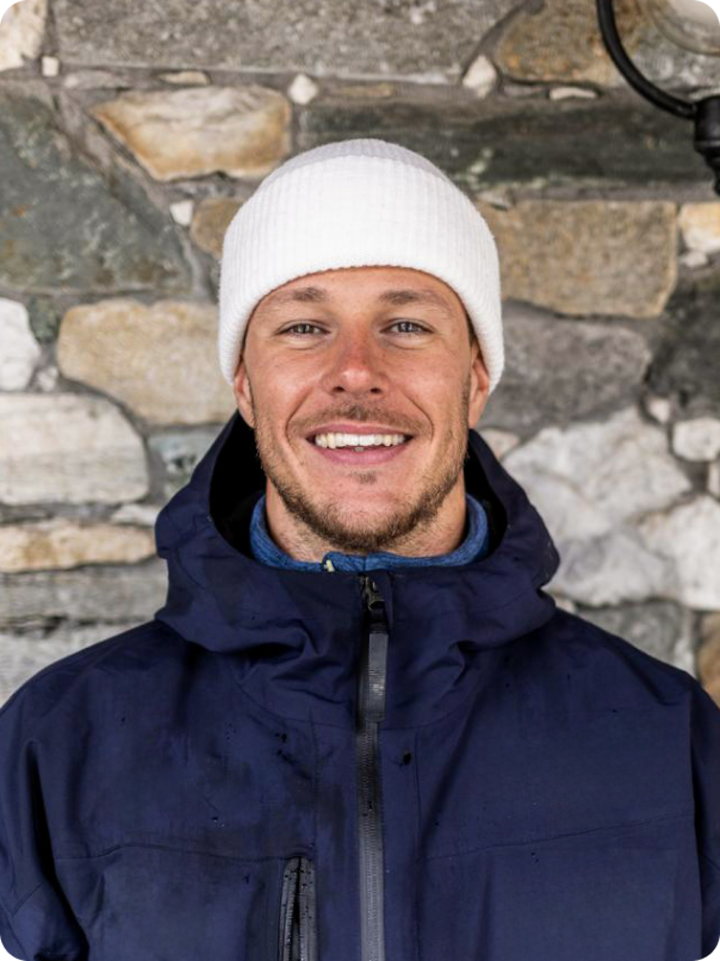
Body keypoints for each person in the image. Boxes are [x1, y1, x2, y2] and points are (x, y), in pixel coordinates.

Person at [0, 137, 718, 961]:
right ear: (244, 382)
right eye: (305, 326)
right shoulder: (56, 751)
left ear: (476, 375)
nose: (355, 372)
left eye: (405, 323)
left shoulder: (669, 749)